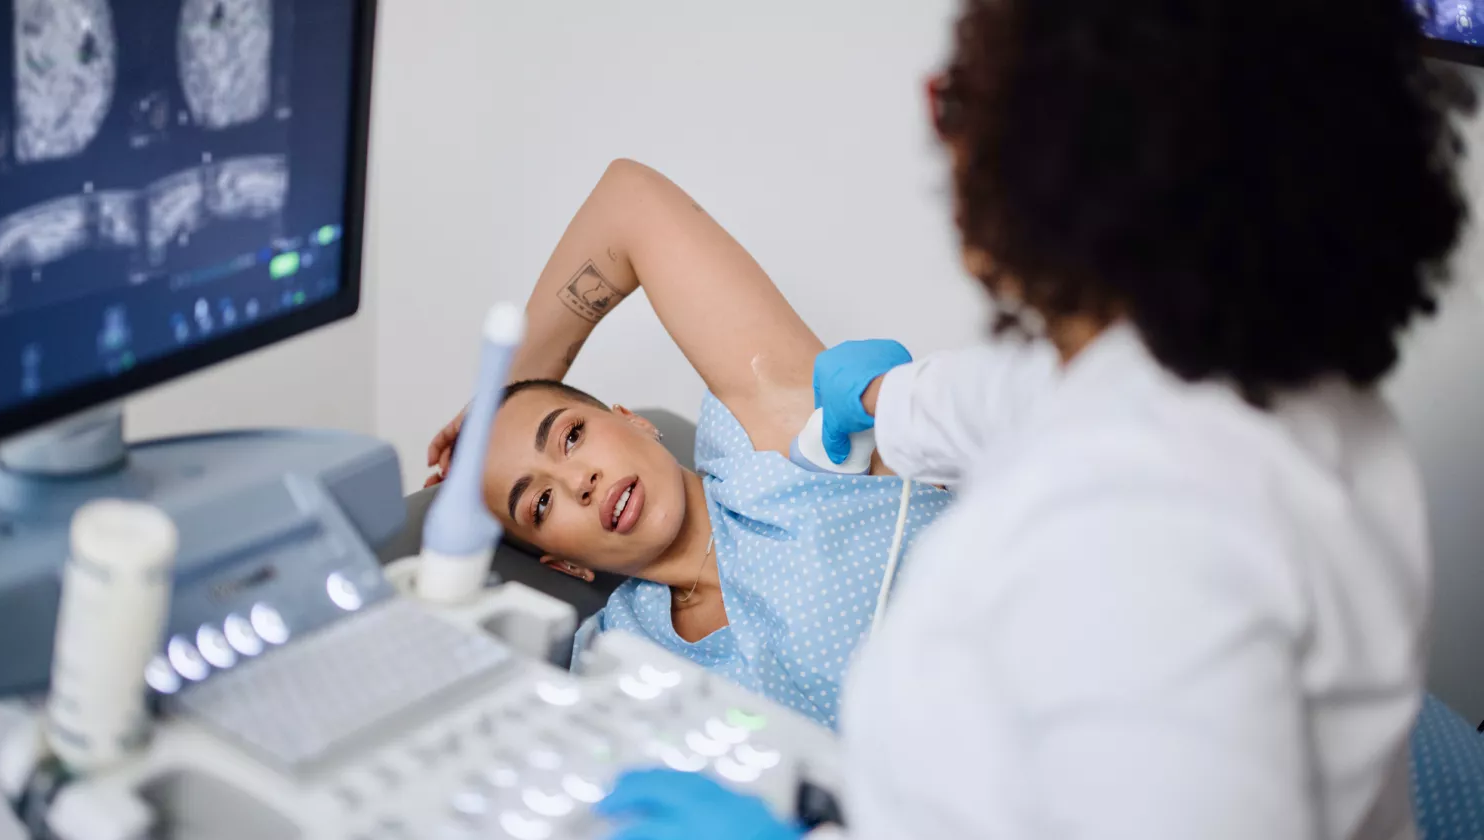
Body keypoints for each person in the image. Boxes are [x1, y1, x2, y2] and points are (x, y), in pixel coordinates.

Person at [591, 1, 1476, 839]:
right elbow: (1020, 397)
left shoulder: (1149, 549)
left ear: (1059, 171)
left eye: (961, 104)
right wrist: (881, 402)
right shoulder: (1270, 384)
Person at [425, 160, 952, 729]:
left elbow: (628, 202)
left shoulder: (767, 444)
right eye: (541, 504)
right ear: (566, 565)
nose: (578, 482)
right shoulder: (620, 660)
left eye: (572, 435)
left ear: (633, 420)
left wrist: (503, 388)